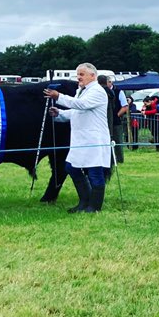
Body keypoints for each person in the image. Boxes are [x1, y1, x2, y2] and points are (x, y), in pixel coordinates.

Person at [44, 62, 112, 213]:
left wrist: (59, 96)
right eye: (78, 74)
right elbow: (76, 111)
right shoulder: (81, 90)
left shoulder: (97, 91)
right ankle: (84, 201)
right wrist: (59, 114)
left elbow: (81, 105)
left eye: (81, 74)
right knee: (71, 167)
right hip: (80, 139)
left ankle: (94, 207)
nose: (78, 77)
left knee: (95, 172)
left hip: (94, 139)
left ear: (92, 75)